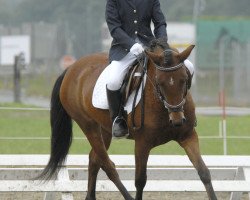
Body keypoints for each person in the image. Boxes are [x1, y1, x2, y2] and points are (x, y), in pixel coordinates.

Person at [105, 0, 194, 138]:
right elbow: (114, 28)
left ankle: (184, 108)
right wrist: (131, 44)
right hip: (124, 48)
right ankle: (118, 119)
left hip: (151, 46)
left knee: (189, 66)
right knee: (113, 81)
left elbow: (160, 23)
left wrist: (162, 42)